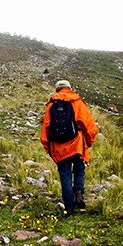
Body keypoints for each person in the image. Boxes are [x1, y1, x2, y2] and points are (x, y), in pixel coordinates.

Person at [40, 79, 98, 214]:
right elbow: (90, 126)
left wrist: (50, 150)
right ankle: (79, 193)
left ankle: (69, 206)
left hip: (59, 147)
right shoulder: (77, 101)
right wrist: (87, 143)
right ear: (69, 88)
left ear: (57, 90)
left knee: (65, 174)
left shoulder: (51, 105)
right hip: (77, 143)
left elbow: (45, 131)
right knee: (79, 169)